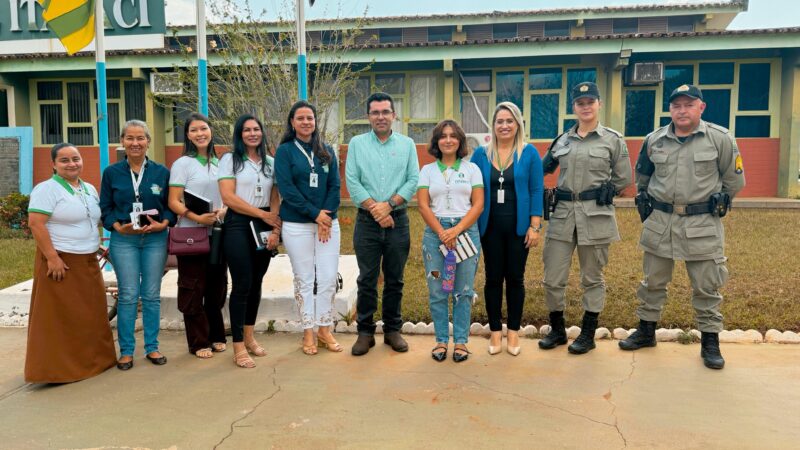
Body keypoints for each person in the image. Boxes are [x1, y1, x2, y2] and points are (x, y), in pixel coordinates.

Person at [620, 84, 745, 370]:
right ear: (670, 110)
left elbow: (734, 181)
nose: (682, 110)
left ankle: (710, 341)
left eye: (689, 104)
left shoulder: (720, 139)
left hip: (702, 223)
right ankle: (646, 331)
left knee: (706, 285)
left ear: (701, 107)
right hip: (661, 221)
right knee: (652, 281)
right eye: (676, 105)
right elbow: (643, 177)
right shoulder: (655, 140)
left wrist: (713, 205)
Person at [539, 82, 632, 354]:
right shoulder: (562, 141)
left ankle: (588, 333)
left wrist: (608, 190)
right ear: (574, 107)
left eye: (590, 101)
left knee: (592, 277)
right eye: (580, 103)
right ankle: (557, 330)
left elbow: (624, 177)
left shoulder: (613, 140)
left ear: (599, 104)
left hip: (596, 215)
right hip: (564, 215)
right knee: (553, 277)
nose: (586, 107)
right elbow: (543, 169)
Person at [25, 143, 117, 383]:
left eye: (75, 159)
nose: (71, 164)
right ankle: (58, 370)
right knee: (61, 318)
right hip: (62, 260)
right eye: (64, 160)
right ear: (53, 164)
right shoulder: (46, 189)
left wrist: (96, 245)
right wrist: (52, 257)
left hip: (87, 259)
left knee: (89, 315)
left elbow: (87, 220)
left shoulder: (87, 189)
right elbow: (36, 223)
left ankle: (93, 363)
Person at [345, 92, 419, 356]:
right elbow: (353, 182)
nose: (380, 117)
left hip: (398, 221)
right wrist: (377, 211)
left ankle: (392, 330)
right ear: (368, 116)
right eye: (375, 112)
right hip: (366, 222)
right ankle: (365, 332)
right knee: (367, 279)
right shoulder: (356, 144)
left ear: (394, 115)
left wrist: (389, 205)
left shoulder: (408, 144)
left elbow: (412, 180)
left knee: (395, 279)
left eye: (385, 112)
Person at [100, 120, 174, 370]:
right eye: (130, 138)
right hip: (124, 240)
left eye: (140, 138)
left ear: (148, 142)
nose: (135, 143)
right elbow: (105, 208)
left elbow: (170, 207)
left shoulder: (162, 172)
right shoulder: (112, 173)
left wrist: (163, 224)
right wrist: (117, 226)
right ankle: (127, 351)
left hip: (155, 239)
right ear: (122, 141)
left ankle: (152, 347)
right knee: (129, 294)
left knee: (151, 295)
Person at [471, 101, 543, 356]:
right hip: (489, 227)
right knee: (492, 279)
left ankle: (512, 332)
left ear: (518, 124)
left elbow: (536, 190)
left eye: (509, 121)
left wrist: (535, 226)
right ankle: (494, 332)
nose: (504, 125)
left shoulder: (529, 153)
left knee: (515, 279)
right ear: (493, 125)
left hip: (519, 228)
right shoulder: (481, 154)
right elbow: (471, 188)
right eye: (500, 121)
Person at [275, 101, 342, 355]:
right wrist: (316, 215)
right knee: (305, 279)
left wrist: (325, 216)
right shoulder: (285, 152)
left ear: (315, 121)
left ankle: (325, 329)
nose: (306, 122)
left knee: (327, 278)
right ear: (292, 122)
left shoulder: (326, 150)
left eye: (310, 118)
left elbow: (335, 186)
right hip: (297, 225)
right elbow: (287, 190)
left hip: (327, 224)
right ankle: (308, 332)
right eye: (300, 118)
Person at [417, 120, 484, 363]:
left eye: (453, 136)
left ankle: (462, 342)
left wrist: (456, 230)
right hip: (435, 237)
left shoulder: (472, 169)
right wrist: (443, 232)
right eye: (443, 136)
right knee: (437, 289)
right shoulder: (427, 170)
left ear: (459, 141)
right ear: (436, 142)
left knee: (463, 291)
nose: (448, 140)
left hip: (465, 233)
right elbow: (423, 205)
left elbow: (478, 204)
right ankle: (441, 340)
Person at [218, 114, 281, 368]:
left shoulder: (270, 163)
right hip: (238, 224)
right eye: (247, 130)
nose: (252, 133)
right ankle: (238, 347)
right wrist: (262, 214)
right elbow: (228, 198)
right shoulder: (229, 161)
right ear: (239, 134)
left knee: (256, 282)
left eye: (256, 129)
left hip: (264, 224)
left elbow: (275, 195)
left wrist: (274, 223)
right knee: (242, 282)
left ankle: (250, 337)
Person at [168, 113, 228, 359]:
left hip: (218, 231)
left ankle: (216, 335)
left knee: (217, 286)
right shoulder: (183, 163)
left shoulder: (221, 162)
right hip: (192, 234)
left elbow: (229, 194)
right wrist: (197, 217)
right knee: (193, 287)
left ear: (211, 130)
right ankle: (198, 341)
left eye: (203, 128)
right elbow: (173, 201)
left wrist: (224, 209)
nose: (200, 133)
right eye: (194, 130)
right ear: (187, 135)